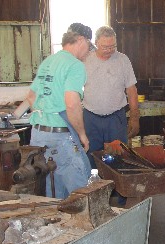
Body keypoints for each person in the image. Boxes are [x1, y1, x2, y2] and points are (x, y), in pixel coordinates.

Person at [26, 23, 93, 199]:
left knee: (49, 191)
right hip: (61, 139)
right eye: (88, 45)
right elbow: (71, 104)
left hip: (38, 136)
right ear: (80, 40)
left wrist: (47, 115)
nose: (87, 52)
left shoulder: (48, 61)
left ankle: (53, 226)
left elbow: (31, 97)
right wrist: (82, 135)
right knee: (80, 194)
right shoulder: (75, 65)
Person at [83, 25, 139, 206]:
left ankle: (122, 197)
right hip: (90, 117)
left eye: (112, 46)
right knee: (92, 158)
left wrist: (135, 117)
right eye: (105, 47)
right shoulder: (85, 60)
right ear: (96, 43)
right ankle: (96, 197)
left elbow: (131, 90)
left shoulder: (123, 60)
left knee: (120, 157)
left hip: (116, 117)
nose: (109, 50)